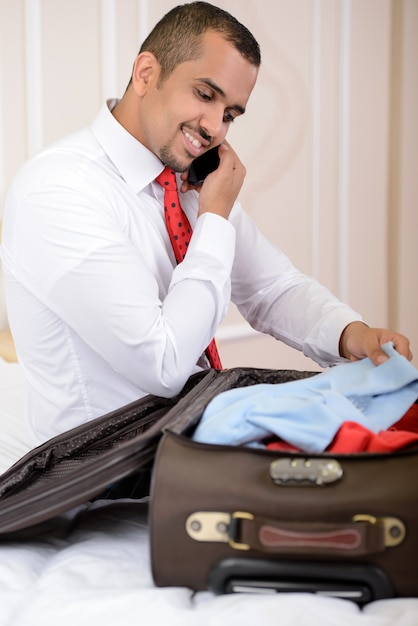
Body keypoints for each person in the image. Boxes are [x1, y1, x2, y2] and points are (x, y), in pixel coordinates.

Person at [1, 2, 412, 447]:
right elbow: (164, 363)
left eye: (231, 113)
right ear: (145, 73)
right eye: (204, 94)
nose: (215, 127)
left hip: (191, 435)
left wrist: (351, 334)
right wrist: (214, 217)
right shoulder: (60, 189)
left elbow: (270, 287)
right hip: (103, 466)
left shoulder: (190, 177)